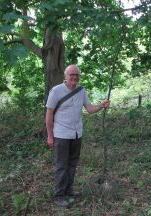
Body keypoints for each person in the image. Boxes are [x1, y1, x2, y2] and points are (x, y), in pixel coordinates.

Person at [45, 64, 110, 208]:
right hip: (61, 134)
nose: (74, 78)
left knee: (72, 163)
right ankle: (59, 195)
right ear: (65, 76)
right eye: (71, 75)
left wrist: (101, 105)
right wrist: (50, 136)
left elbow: (90, 108)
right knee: (61, 165)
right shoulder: (56, 91)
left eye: (77, 75)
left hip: (76, 134)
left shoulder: (81, 91)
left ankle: (68, 190)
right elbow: (49, 114)